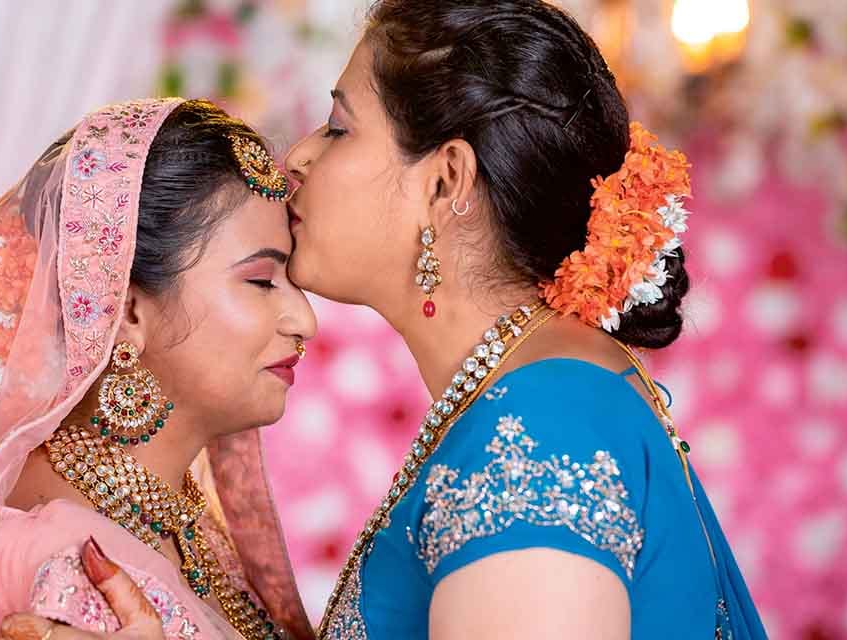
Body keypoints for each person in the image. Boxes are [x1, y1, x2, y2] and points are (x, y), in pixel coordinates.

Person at [279, 1, 767, 638]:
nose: (297, 156)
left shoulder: (538, 429)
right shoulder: (548, 394)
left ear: (446, 179)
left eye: (338, 128)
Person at [0, 98, 317, 640]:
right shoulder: (67, 563)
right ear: (127, 309)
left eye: (293, 282)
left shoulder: (180, 525)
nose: (304, 319)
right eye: (262, 281)